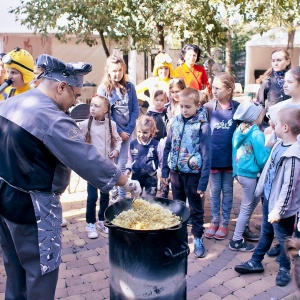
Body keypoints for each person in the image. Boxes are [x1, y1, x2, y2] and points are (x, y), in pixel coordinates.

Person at [0, 54, 141, 300]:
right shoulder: (52, 117)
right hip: (33, 208)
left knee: (14, 268)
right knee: (40, 272)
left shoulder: (11, 104)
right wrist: (124, 182)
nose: (75, 103)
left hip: (4, 200)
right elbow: (88, 159)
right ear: (61, 86)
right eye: (75, 95)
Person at [234, 108, 300, 287]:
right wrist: (260, 190)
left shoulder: (294, 156)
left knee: (284, 239)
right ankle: (256, 261)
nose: (272, 125)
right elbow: (268, 167)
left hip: (281, 209)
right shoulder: (279, 145)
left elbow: (288, 187)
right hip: (270, 202)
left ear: (285, 127)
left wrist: (279, 210)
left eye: (276, 123)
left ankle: (286, 269)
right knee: (266, 233)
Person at [161, 87, 211, 258]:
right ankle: (178, 239)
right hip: (175, 173)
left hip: (193, 175)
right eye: (181, 106)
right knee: (177, 207)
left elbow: (206, 155)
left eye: (188, 107)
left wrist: (203, 182)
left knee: (196, 208)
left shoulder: (202, 126)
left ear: (197, 105)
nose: (184, 110)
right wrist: (165, 171)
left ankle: (198, 237)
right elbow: (168, 147)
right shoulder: (174, 122)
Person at [229, 101, 271, 252]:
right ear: (255, 116)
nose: (263, 116)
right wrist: (270, 149)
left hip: (240, 173)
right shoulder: (256, 134)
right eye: (261, 114)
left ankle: (242, 231)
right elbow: (262, 159)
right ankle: (236, 240)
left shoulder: (239, 129)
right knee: (246, 207)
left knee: (251, 202)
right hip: (250, 175)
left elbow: (234, 151)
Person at [203, 73, 241, 240]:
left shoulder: (238, 108)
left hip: (230, 160)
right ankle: (215, 221)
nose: (214, 91)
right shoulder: (209, 107)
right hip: (213, 159)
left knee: (227, 191)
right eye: (213, 88)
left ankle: (225, 223)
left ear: (229, 90)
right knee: (214, 191)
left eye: (218, 88)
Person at [78, 95, 122, 238]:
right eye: (92, 105)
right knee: (91, 197)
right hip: (92, 169)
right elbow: (78, 143)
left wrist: (116, 150)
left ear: (105, 110)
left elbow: (118, 140)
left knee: (104, 196)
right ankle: (90, 223)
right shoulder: (84, 125)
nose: (92, 108)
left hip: (107, 167)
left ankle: (102, 220)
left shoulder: (111, 124)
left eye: (97, 106)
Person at [97, 54, 139, 201]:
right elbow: (106, 113)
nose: (117, 74)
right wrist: (119, 132)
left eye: (120, 70)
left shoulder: (129, 87)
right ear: (108, 70)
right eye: (114, 70)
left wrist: (128, 130)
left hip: (127, 133)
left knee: (122, 165)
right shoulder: (104, 89)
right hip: (112, 133)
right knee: (111, 164)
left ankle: (122, 195)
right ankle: (113, 192)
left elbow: (135, 110)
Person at [125, 115, 161, 198]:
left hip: (151, 177)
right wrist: (128, 169)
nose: (141, 135)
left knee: (151, 200)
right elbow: (130, 159)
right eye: (139, 132)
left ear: (151, 131)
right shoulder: (132, 144)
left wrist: (160, 171)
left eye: (145, 132)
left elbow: (161, 160)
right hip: (136, 176)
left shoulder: (156, 144)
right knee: (136, 200)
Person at [256, 48, 291, 130]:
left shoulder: (295, 80)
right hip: (270, 125)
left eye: (279, 60)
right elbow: (260, 104)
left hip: (290, 123)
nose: (275, 63)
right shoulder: (267, 81)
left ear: (288, 61)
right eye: (273, 60)